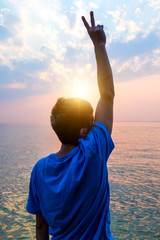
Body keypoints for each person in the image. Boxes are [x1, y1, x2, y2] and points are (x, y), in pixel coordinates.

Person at [26, 11, 115, 240]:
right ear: (84, 132)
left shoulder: (39, 170)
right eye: (92, 120)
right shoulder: (92, 154)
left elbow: (41, 228)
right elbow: (107, 95)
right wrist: (100, 45)